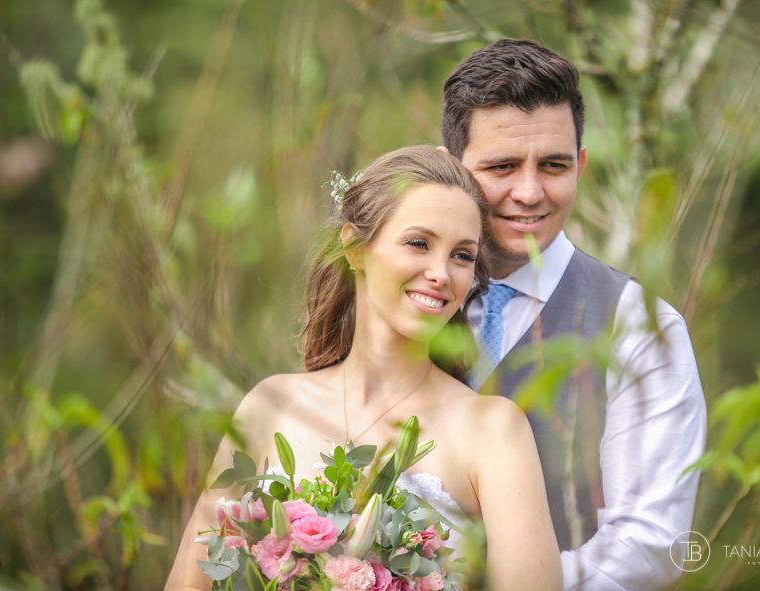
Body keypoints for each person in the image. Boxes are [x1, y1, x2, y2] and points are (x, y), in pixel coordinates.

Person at [163, 146, 562, 591]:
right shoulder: (270, 404)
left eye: (462, 255)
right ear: (354, 247)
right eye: (419, 243)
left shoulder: (492, 430)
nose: (441, 273)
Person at [439, 39, 707, 590]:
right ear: (451, 171)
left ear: (580, 166)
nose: (530, 192)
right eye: (503, 166)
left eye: (554, 165)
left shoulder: (640, 327)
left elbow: (651, 545)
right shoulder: (403, 308)